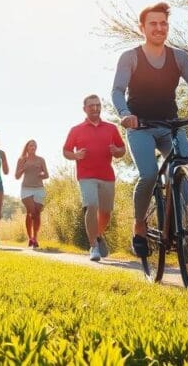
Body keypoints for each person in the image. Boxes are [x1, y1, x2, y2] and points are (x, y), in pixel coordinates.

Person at [111, 2, 188, 258]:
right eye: (153, 23)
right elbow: (117, 91)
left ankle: (183, 228)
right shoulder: (130, 57)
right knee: (149, 174)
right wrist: (125, 115)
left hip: (170, 125)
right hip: (140, 126)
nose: (159, 28)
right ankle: (139, 224)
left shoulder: (179, 57)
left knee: (187, 169)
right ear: (142, 27)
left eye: (163, 23)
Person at [63, 94, 126, 261]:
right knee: (91, 205)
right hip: (86, 175)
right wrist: (75, 155)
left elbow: (122, 149)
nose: (95, 108)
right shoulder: (76, 130)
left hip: (107, 176)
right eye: (91, 106)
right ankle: (93, 247)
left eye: (98, 105)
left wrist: (116, 151)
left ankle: (98, 235)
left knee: (106, 213)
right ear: (85, 109)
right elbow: (66, 151)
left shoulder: (111, 128)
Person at [15, 139, 49, 249]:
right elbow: (16, 176)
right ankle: (30, 237)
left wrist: (41, 174)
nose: (33, 147)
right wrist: (23, 168)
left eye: (34, 146)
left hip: (39, 188)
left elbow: (46, 175)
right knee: (32, 211)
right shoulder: (22, 160)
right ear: (27, 148)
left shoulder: (41, 160)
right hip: (26, 189)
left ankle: (35, 238)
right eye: (31, 146)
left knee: (37, 213)